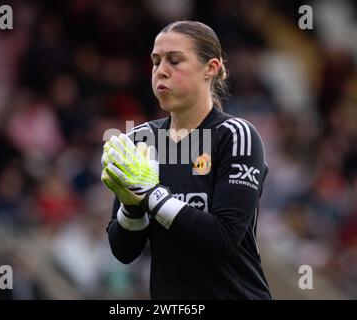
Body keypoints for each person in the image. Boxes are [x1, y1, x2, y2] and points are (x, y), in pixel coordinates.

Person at [101, 20, 272, 299]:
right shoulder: (141, 141)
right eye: (156, 62)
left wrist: (150, 194)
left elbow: (224, 237)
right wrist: (131, 208)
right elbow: (124, 252)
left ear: (211, 68)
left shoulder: (235, 135)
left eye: (175, 60)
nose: (161, 72)